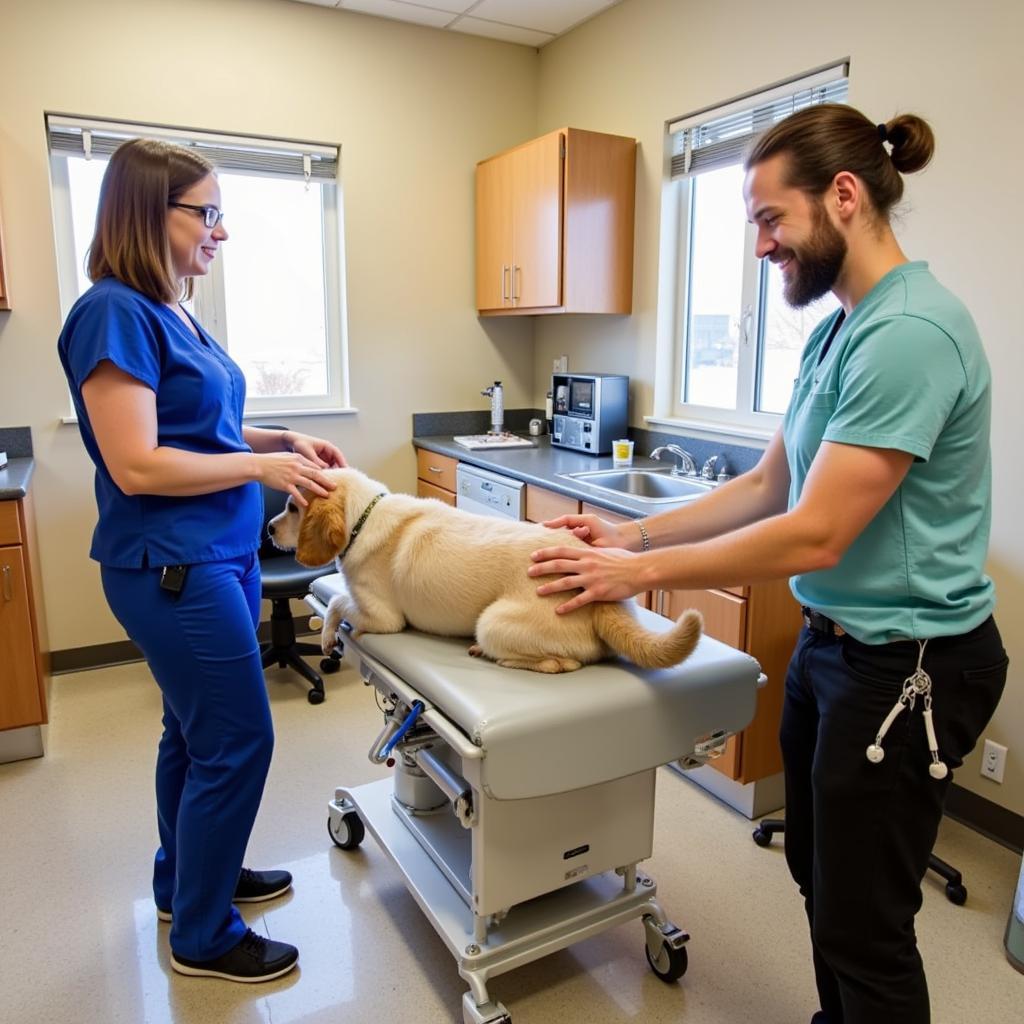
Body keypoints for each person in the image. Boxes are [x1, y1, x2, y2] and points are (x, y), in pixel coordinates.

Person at [527, 104, 1007, 1024]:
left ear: (844, 195)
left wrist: (638, 581)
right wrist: (629, 539)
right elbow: (766, 485)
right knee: (819, 877)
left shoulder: (910, 332)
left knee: (866, 921)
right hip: (838, 650)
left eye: (768, 218)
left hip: (909, 667)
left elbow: (816, 533)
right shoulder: (840, 331)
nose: (760, 246)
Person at [57, 138, 346, 983]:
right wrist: (261, 469)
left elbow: (201, 430)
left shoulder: (174, 307)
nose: (222, 230)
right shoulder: (114, 312)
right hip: (170, 567)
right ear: (153, 213)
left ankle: (188, 884)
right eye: (208, 212)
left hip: (214, 554)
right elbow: (138, 462)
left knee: (191, 733)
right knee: (239, 739)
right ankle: (205, 936)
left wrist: (278, 438)